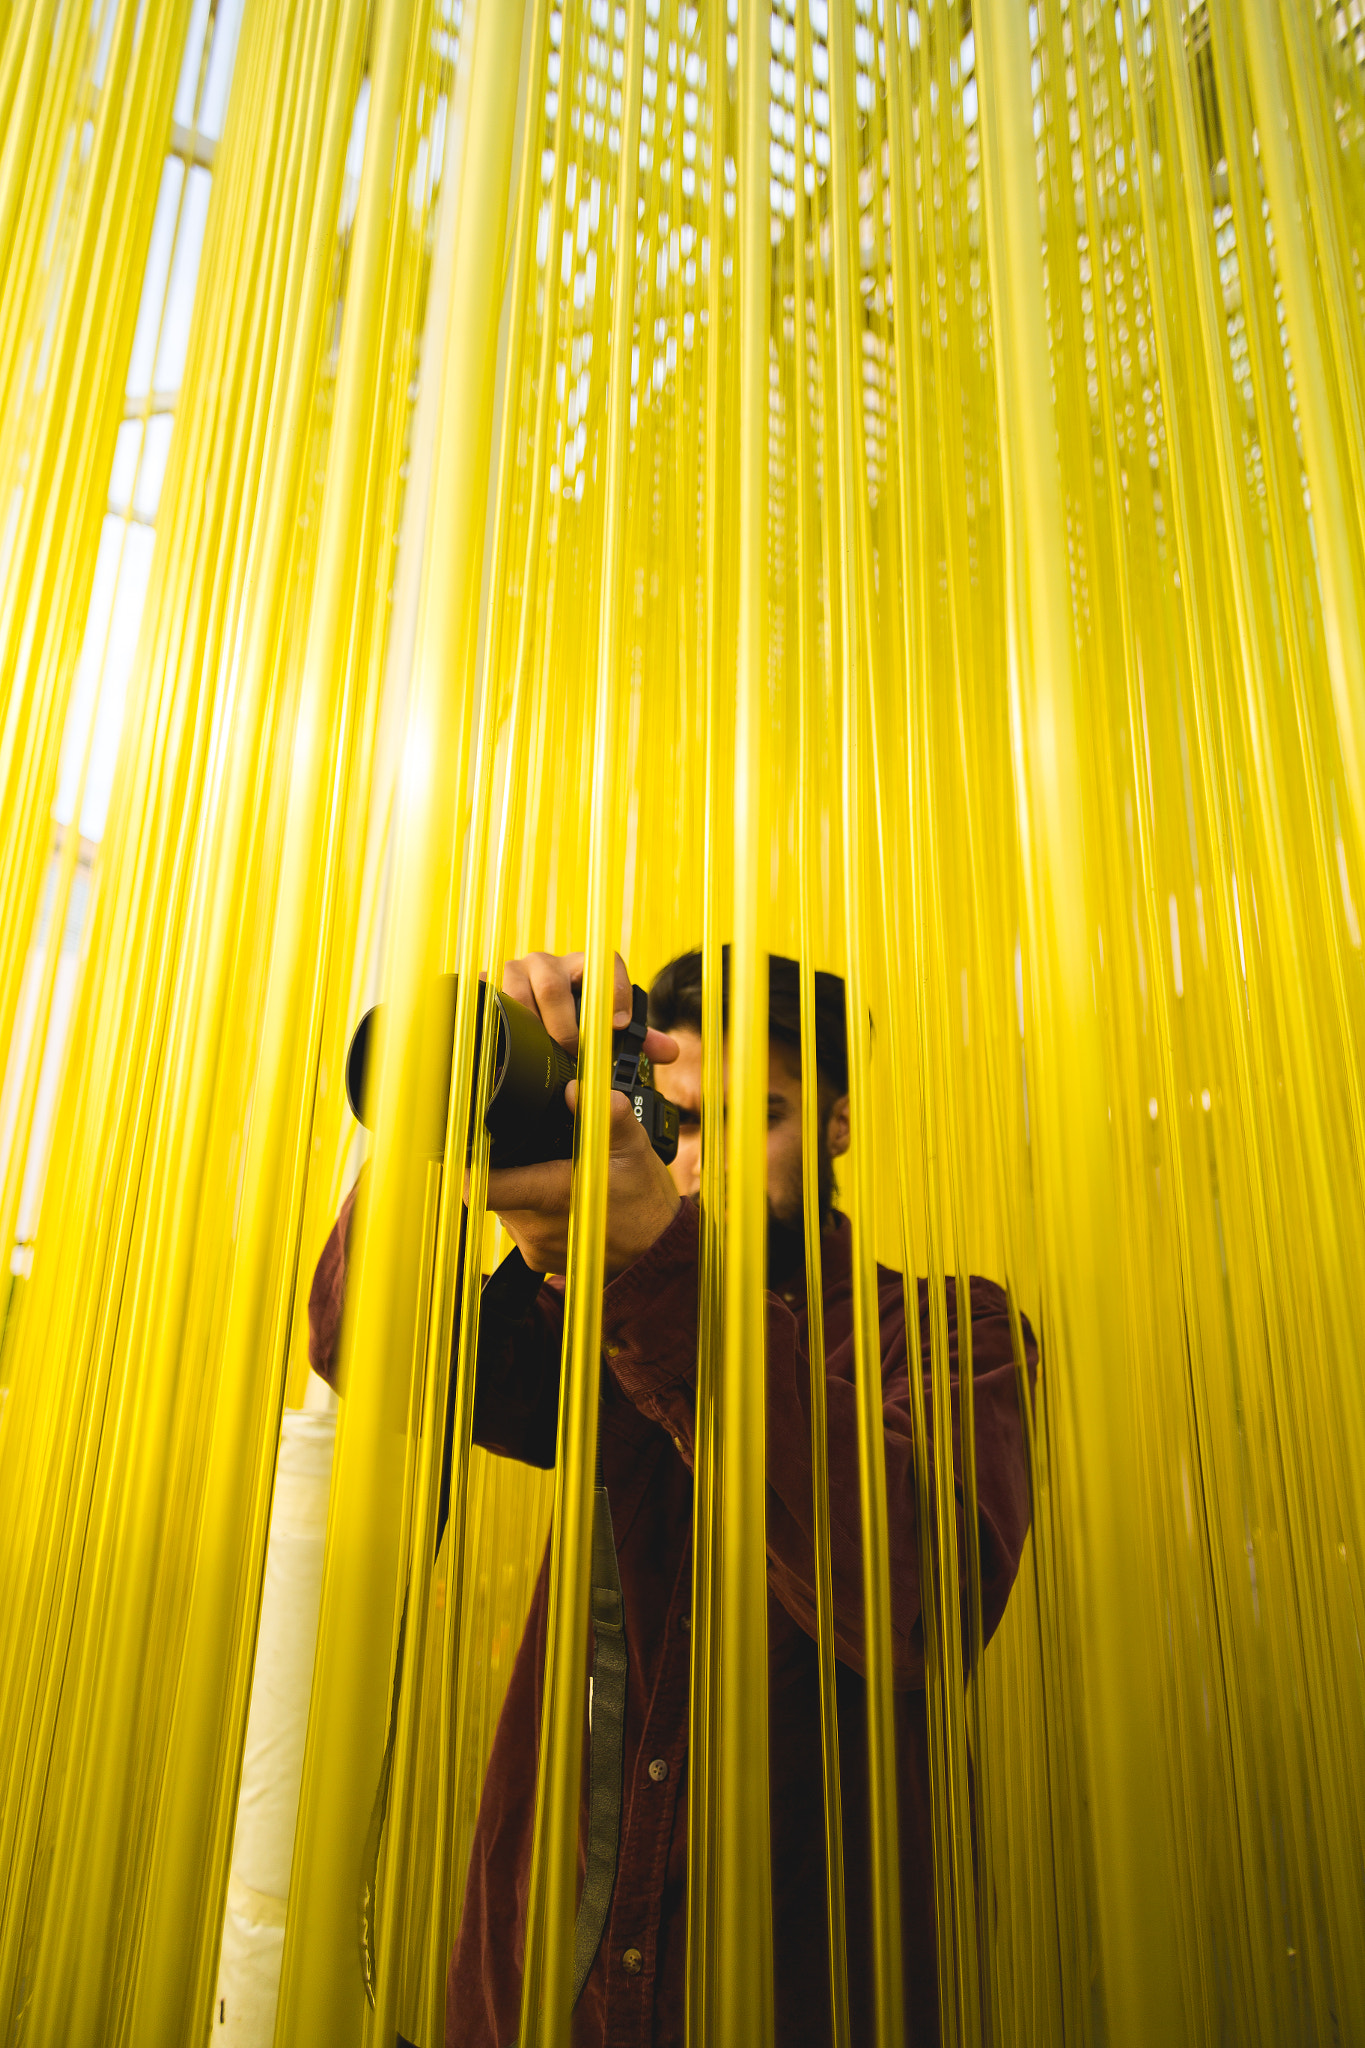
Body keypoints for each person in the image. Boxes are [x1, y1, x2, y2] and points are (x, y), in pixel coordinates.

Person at [307, 946, 1037, 2048]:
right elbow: (362, 1340)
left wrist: (667, 1277)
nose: (707, 1165)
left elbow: (917, 1597)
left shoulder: (946, 1331)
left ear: (837, 1123)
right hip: (546, 1992)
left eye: (762, 1116)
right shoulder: (598, 1315)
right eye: (685, 1125)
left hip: (799, 1997)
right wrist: (459, 1105)